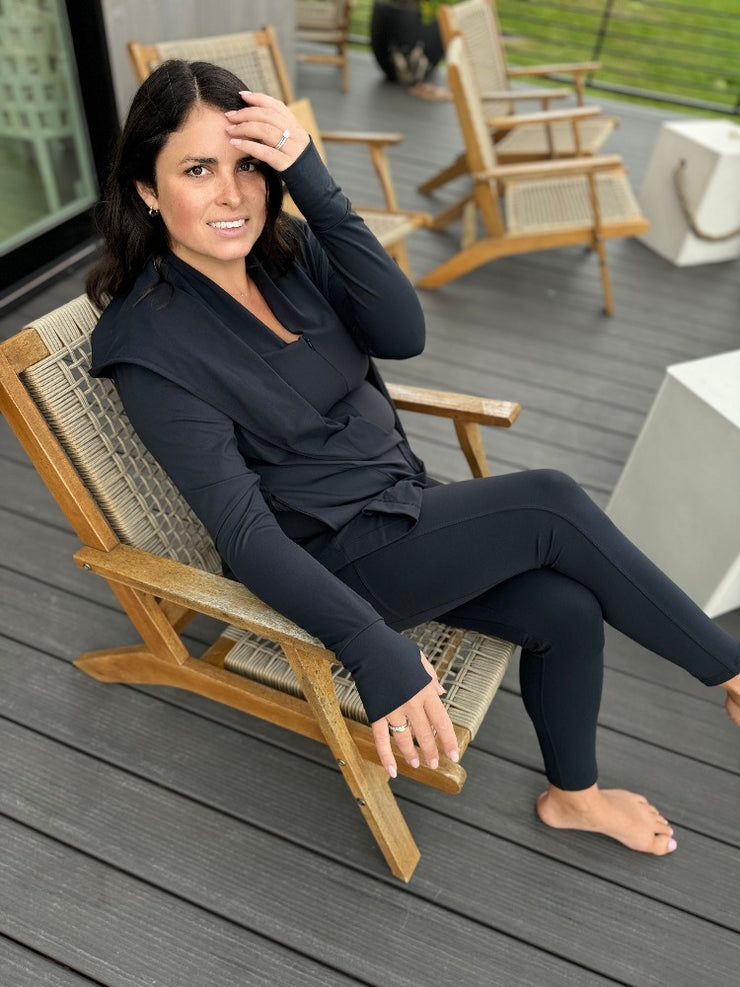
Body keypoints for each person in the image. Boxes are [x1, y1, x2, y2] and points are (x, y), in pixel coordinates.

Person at [87, 60, 740, 858]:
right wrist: (373, 647)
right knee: (549, 500)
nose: (232, 194)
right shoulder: (151, 344)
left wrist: (315, 183)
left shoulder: (285, 248)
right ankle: (734, 674)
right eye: (197, 169)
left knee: (566, 612)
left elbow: (403, 335)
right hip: (336, 563)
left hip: (404, 506)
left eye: (249, 164)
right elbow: (245, 531)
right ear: (147, 190)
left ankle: (576, 795)